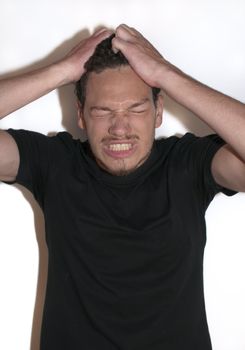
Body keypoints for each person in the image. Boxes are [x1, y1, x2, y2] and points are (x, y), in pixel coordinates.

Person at [0, 24, 244, 350]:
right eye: (103, 111)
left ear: (158, 112)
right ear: (82, 116)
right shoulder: (55, 163)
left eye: (136, 108)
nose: (119, 128)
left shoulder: (189, 164)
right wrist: (62, 70)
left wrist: (166, 74)